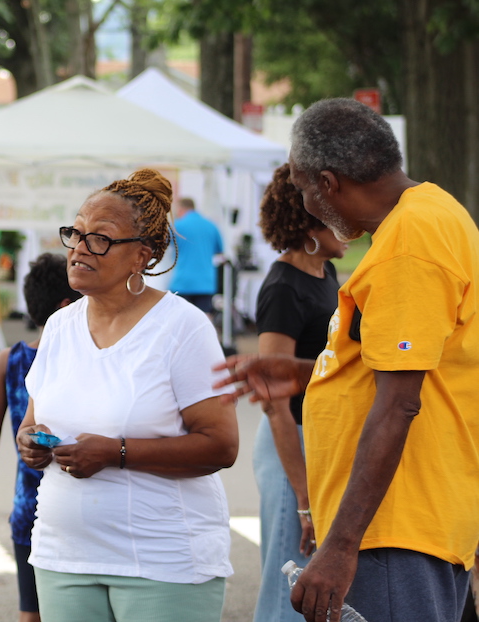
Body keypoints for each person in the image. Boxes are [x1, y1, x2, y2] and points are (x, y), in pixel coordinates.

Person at [216, 98, 479, 622]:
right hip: (407, 526)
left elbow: (400, 403)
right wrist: (303, 372)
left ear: (328, 183)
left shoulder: (411, 241)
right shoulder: (432, 214)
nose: (305, 202)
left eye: (302, 186)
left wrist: (340, 547)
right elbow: (412, 369)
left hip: (394, 532)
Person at [15, 169, 239, 622]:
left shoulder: (183, 328)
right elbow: (34, 420)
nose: (79, 247)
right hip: (64, 557)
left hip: (164, 562)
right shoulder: (59, 327)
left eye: (99, 238)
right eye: (75, 232)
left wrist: (116, 453)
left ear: (142, 255)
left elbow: (221, 445)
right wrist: (31, 441)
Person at [251, 164, 347, 622]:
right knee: (289, 579)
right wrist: (303, 497)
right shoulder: (284, 287)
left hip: (319, 441)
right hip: (291, 444)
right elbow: (273, 400)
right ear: (308, 220)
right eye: (336, 216)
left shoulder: (326, 272)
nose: (348, 227)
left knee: (313, 578)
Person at [0, 252, 81, 622]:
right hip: (61, 512)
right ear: (67, 306)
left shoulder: (11, 359)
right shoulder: (82, 359)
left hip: (27, 511)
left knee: (30, 613)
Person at [160, 197, 224, 314]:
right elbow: (219, 252)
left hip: (183, 282)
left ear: (181, 209)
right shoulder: (211, 226)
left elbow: (160, 246)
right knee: (204, 318)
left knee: (180, 319)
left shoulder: (177, 226)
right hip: (206, 283)